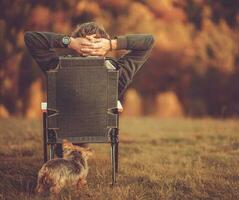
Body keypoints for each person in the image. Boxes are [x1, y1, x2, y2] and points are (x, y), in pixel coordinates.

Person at [24, 21, 154, 156]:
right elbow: (149, 41)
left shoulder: (57, 67)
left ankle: (72, 147)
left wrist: (69, 42)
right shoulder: (117, 72)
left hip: (63, 129)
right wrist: (112, 44)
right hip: (100, 130)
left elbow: (30, 38)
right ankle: (78, 147)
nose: (91, 45)